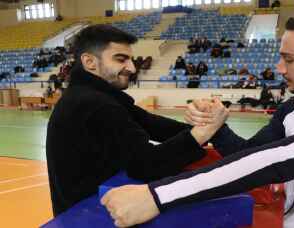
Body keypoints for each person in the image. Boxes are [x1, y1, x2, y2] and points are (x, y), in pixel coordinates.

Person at [100, 14, 294, 228]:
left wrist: (156, 196)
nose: (279, 67)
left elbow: (274, 161)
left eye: (288, 58)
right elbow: (247, 153)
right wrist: (217, 126)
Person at [46, 24, 214, 216]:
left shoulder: (94, 95)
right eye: (121, 59)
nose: (132, 68)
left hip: (86, 208)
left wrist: (202, 125)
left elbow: (151, 123)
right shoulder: (94, 104)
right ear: (90, 62)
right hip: (91, 215)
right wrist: (200, 135)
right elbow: (147, 165)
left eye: (131, 59)